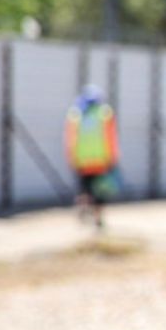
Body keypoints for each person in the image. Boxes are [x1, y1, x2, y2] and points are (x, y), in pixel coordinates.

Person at [64, 85, 118, 228]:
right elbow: (111, 137)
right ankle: (98, 217)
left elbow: (71, 138)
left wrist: (71, 156)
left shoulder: (76, 114)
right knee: (100, 191)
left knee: (84, 189)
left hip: (82, 161)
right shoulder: (105, 114)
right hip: (100, 161)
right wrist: (113, 156)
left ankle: (83, 208)